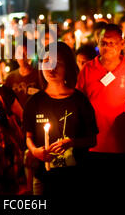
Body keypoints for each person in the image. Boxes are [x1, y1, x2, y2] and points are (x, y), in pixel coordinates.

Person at [76, 24, 125, 195]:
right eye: (103, 42)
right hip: (95, 146)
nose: (107, 47)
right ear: (97, 43)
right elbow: (78, 103)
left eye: (112, 43)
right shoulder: (87, 69)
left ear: (122, 44)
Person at [24, 42, 98, 195]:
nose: (51, 68)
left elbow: (92, 139)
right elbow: (28, 136)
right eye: (46, 61)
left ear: (68, 67)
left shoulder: (79, 100)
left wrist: (71, 143)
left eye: (57, 63)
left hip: (75, 176)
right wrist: (35, 151)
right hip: (43, 177)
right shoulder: (34, 101)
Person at [4, 40, 42, 108]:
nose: (22, 57)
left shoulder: (39, 75)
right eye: (19, 53)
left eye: (26, 53)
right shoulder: (10, 78)